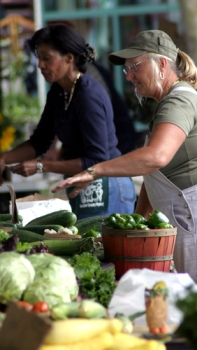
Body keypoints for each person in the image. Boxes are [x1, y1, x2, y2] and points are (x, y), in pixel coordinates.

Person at [52, 29, 197, 290]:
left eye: (135, 66)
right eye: (126, 70)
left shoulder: (178, 101)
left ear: (162, 65)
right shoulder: (169, 103)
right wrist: (136, 225)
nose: (129, 76)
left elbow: (156, 157)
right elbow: (154, 175)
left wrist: (95, 171)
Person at [0, 24, 136, 218]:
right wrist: (4, 159)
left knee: (98, 247)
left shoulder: (88, 96)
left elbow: (97, 159)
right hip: (82, 185)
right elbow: (40, 142)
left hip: (106, 184)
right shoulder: (58, 92)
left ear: (69, 58)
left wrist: (42, 166)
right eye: (39, 58)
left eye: (47, 58)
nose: (40, 65)